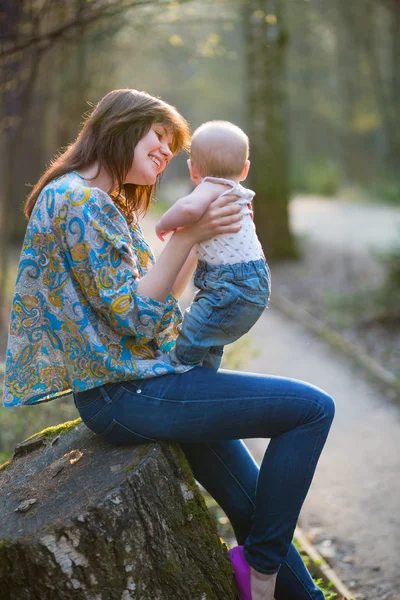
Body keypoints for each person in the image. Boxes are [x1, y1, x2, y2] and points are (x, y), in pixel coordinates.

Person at [3, 88, 335, 600]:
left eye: (173, 145)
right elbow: (134, 318)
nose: (166, 151)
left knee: (250, 504)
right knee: (312, 409)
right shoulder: (75, 199)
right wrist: (184, 237)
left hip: (150, 379)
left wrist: (202, 239)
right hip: (126, 393)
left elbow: (155, 302)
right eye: (159, 136)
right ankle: (261, 573)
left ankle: (284, 586)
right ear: (121, 127)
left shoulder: (102, 202)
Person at [155, 120, 270, 370]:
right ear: (245, 170)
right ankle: (204, 375)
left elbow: (188, 207)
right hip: (256, 283)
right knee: (209, 338)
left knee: (194, 328)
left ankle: (177, 365)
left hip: (229, 285)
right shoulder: (237, 193)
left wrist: (163, 223)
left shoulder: (209, 187)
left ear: (192, 169)